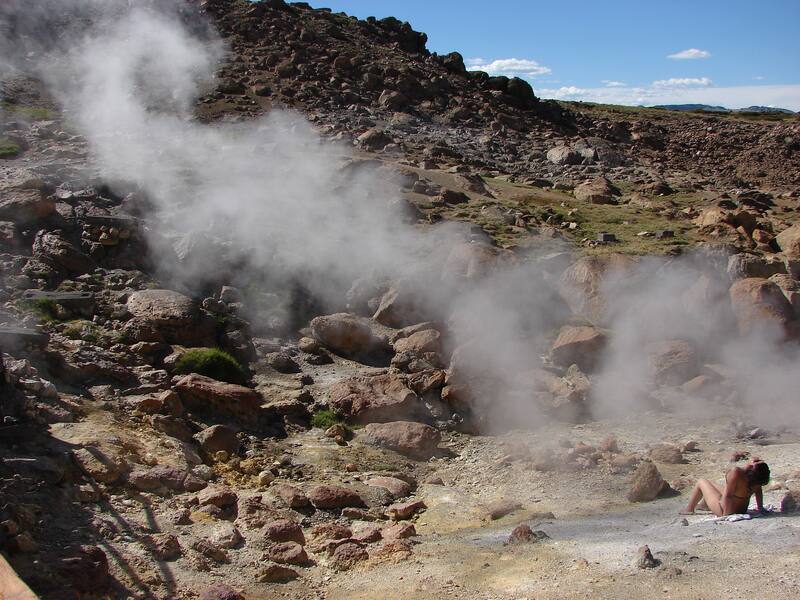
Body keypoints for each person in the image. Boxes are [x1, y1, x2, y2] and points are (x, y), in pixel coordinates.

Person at [680, 459, 770, 517]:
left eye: (754, 462)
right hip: (742, 509)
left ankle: (689, 509)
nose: (753, 460)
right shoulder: (757, 479)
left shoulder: (737, 472)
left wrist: (726, 515)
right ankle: (704, 505)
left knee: (701, 481)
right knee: (712, 484)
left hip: (723, 509)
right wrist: (760, 508)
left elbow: (728, 495)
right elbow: (758, 492)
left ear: (751, 467)